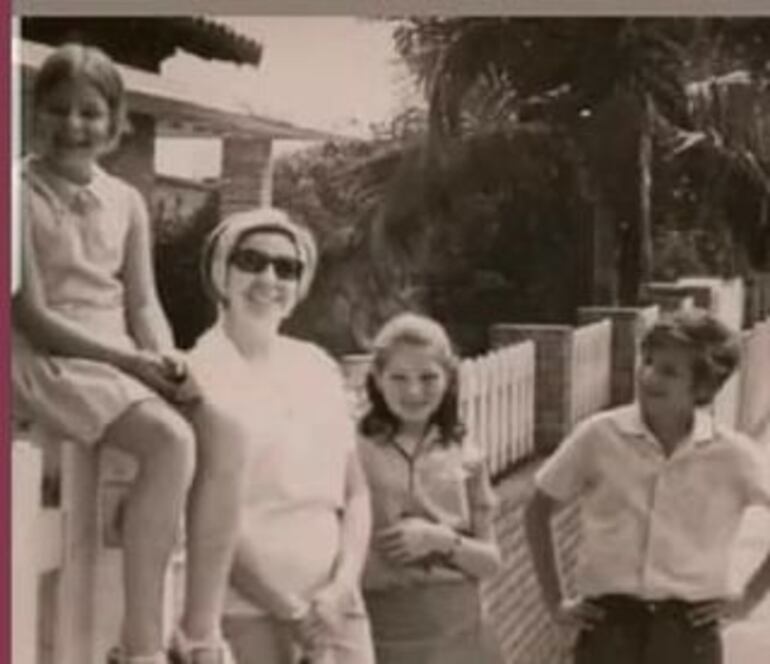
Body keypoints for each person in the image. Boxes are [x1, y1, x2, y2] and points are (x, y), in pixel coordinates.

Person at [12, 43, 243, 664]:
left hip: (118, 357)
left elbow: (142, 303)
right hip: (47, 358)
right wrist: (130, 364)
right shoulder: (16, 193)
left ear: (115, 124)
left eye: (90, 113)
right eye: (58, 110)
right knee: (170, 442)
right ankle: (138, 644)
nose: (73, 126)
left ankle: (197, 629)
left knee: (222, 430)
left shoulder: (127, 200)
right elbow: (31, 314)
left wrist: (166, 358)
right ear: (36, 114)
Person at [524, 308, 770, 664]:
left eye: (669, 370)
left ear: (703, 386)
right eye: (648, 361)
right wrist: (555, 602)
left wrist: (748, 597)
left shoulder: (732, 455)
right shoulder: (599, 435)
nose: (649, 375)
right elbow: (537, 509)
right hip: (609, 627)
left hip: (688, 633)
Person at [187, 207, 375, 664]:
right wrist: (287, 610)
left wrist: (342, 588)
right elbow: (200, 517)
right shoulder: (195, 375)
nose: (269, 278)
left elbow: (356, 493)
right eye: (251, 261)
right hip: (245, 612)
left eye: (286, 268)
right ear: (221, 274)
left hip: (337, 612)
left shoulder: (317, 366)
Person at [357, 312, 503, 664]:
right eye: (399, 377)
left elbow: (491, 563)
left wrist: (439, 539)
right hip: (382, 632)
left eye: (428, 377)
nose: (414, 391)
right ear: (377, 378)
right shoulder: (352, 449)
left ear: (449, 377)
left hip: (461, 635)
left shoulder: (466, 452)